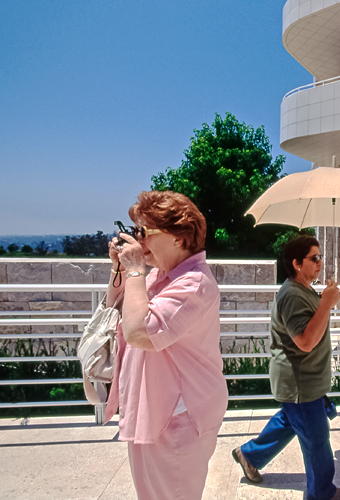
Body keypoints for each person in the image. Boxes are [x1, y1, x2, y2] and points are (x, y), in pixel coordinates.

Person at [103, 190, 228, 499]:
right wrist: (120, 270)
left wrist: (134, 269)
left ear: (177, 236)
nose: (136, 239)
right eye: (134, 231)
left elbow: (139, 332)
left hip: (177, 419)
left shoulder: (192, 284)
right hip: (155, 409)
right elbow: (117, 310)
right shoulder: (161, 275)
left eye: (143, 232)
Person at [232, 236, 340, 500]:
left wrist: (325, 299)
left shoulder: (303, 288)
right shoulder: (292, 296)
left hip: (305, 380)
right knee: (316, 442)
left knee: (291, 420)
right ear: (297, 264)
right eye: (315, 258)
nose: (320, 262)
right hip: (300, 382)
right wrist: (326, 303)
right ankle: (322, 493)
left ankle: (249, 455)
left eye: (320, 256)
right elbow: (306, 341)